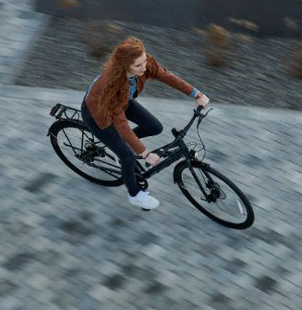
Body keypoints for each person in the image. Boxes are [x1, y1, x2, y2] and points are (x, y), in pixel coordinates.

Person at [80, 36, 209, 210]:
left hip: (122, 101)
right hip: (98, 113)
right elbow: (121, 123)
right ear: (125, 66)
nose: (144, 67)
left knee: (155, 127)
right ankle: (134, 195)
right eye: (138, 65)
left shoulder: (144, 65)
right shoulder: (113, 84)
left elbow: (167, 76)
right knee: (126, 156)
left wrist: (196, 94)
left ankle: (121, 145)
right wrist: (144, 153)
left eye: (144, 61)